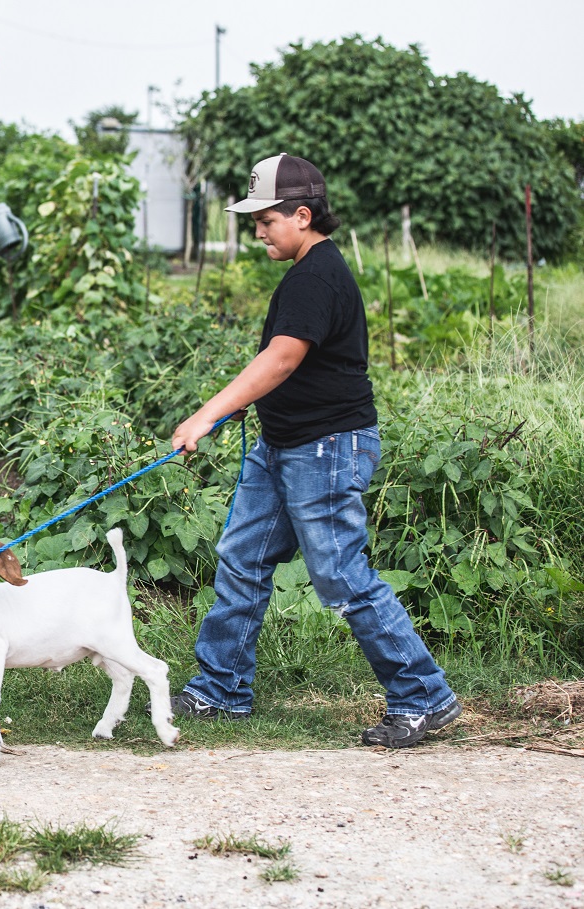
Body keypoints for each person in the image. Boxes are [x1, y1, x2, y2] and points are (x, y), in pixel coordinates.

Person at [167, 153, 460, 748]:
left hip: (324, 451)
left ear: (302, 216)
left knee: (342, 577)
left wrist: (208, 413)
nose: (258, 232)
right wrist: (249, 404)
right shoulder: (308, 273)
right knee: (242, 558)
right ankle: (220, 690)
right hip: (284, 445)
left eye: (266, 220)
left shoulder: (315, 276)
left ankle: (423, 696)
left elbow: (282, 358)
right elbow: (287, 367)